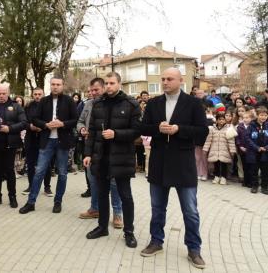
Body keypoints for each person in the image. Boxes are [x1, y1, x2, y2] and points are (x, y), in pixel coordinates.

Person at [139, 67, 209, 269]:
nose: (165, 82)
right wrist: (157, 129)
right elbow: (143, 128)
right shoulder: (153, 103)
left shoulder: (193, 103)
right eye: (163, 79)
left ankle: (194, 248)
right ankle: (156, 241)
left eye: (169, 79)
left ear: (180, 80)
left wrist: (179, 129)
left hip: (183, 164)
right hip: (159, 162)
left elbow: (202, 132)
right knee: (157, 207)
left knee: (190, 210)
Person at [82, 72, 140, 248]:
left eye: (112, 83)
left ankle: (129, 232)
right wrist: (88, 154)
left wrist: (116, 134)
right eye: (106, 83)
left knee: (125, 195)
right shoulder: (97, 104)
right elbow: (91, 132)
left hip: (122, 157)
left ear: (119, 84)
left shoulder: (131, 104)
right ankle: (102, 227)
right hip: (101, 157)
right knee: (101, 194)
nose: (108, 86)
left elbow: (137, 131)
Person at [19, 77, 78, 214]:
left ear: (63, 85)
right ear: (50, 86)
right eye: (53, 84)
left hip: (62, 141)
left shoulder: (69, 101)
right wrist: (46, 125)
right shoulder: (44, 101)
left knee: (62, 173)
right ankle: (31, 202)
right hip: (47, 141)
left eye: (58, 84)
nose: (55, 87)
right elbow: (34, 119)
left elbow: (75, 120)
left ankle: (58, 202)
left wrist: (62, 124)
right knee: (39, 171)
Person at [77, 77, 124, 230]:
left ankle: (117, 213)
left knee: (114, 183)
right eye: (90, 91)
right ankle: (95, 208)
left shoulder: (112, 104)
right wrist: (81, 129)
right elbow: (80, 121)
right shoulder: (89, 104)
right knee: (93, 180)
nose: (92, 93)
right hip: (91, 148)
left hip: (109, 149)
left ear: (104, 88)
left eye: (95, 90)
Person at [0, 83, 28, 208]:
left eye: (4, 93)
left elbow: (24, 123)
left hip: (10, 143)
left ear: (8, 93)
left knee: (9, 171)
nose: (1, 96)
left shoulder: (16, 106)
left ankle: (12, 196)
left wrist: (10, 128)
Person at [22, 88, 53, 196]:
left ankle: (47, 187)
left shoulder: (49, 106)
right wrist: (30, 126)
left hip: (44, 138)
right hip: (31, 138)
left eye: (40, 94)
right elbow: (23, 121)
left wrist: (43, 127)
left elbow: (51, 121)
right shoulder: (28, 107)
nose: (37, 96)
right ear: (32, 95)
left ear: (43, 95)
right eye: (35, 94)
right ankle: (31, 186)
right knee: (30, 164)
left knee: (46, 164)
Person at [203, 112, 236, 185]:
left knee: (224, 164)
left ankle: (223, 177)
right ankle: (217, 176)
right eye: (219, 119)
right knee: (216, 164)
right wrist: (205, 149)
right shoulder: (212, 129)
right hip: (214, 150)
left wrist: (232, 150)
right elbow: (209, 140)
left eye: (223, 119)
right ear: (216, 120)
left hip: (224, 150)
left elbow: (231, 141)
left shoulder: (229, 129)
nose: (221, 121)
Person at [244, 106, 268, 194]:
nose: (263, 117)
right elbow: (247, 138)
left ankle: (265, 187)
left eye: (265, 115)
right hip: (254, 152)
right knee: (254, 170)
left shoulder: (267, 125)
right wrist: (257, 147)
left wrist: (265, 147)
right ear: (257, 115)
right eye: (261, 115)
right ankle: (254, 186)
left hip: (265, 153)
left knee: (265, 171)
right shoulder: (251, 126)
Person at [236, 110, 252, 187]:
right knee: (244, 166)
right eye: (244, 118)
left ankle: (250, 182)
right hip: (242, 150)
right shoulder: (240, 127)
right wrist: (240, 146)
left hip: (251, 150)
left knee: (250, 166)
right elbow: (237, 138)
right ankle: (245, 181)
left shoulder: (252, 127)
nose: (245, 119)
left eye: (247, 118)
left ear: (251, 118)